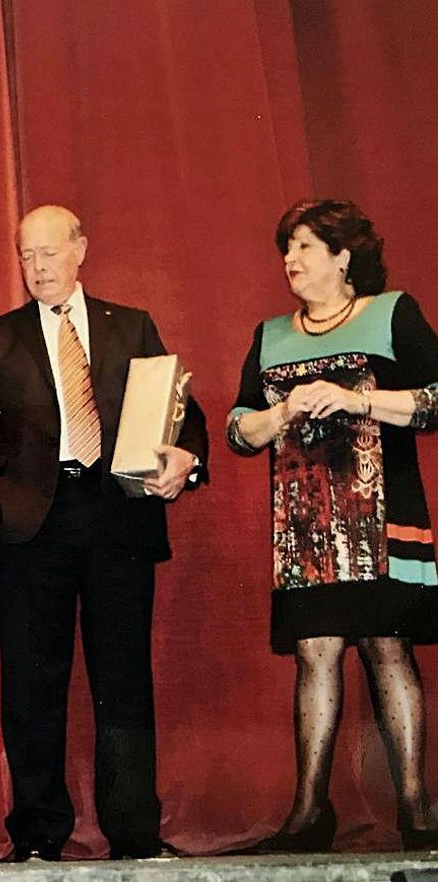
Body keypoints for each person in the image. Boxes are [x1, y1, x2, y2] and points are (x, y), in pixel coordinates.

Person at [0, 205, 207, 861]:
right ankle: (39, 833)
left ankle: (134, 834)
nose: (38, 267)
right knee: (32, 682)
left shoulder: (133, 327)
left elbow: (184, 416)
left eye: (49, 252)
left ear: (80, 250)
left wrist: (187, 459)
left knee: (122, 677)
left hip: (117, 516)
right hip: (31, 525)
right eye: (26, 255)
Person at [227, 199, 438, 853]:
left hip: (382, 518)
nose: (290, 260)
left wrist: (356, 398)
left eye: (305, 247)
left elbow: (434, 399)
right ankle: (308, 812)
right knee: (313, 653)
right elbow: (239, 429)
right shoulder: (270, 336)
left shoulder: (392, 312)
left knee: (387, 646)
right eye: (286, 248)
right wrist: (282, 410)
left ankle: (416, 811)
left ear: (344, 256)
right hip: (305, 527)